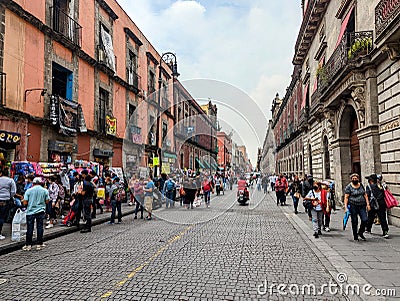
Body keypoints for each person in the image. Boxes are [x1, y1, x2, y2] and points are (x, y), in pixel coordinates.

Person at [22, 177, 50, 251]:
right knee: (40, 227)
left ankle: (28, 245)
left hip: (30, 212)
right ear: (41, 183)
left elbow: (25, 202)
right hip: (40, 211)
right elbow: (47, 201)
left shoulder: (28, 191)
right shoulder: (45, 191)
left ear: (33, 183)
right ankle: (39, 244)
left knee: (30, 228)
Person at [344, 173, 370, 241]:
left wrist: (368, 204)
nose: (354, 180)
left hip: (362, 205)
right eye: (353, 179)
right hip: (353, 205)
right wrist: (346, 207)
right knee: (354, 221)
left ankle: (361, 232)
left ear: (358, 179)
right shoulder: (348, 187)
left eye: (356, 178)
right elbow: (346, 197)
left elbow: (365, 195)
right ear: (351, 179)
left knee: (365, 219)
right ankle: (355, 235)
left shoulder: (361, 185)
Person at [365, 174, 389, 238]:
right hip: (381, 204)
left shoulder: (369, 186)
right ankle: (385, 231)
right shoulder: (381, 186)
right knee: (382, 218)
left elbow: (367, 195)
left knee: (370, 217)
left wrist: (368, 204)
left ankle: (368, 229)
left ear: (371, 180)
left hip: (373, 204)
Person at [0, 168, 16, 240]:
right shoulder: (10, 181)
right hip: (5, 200)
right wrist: (9, 196)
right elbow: (13, 192)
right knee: (1, 217)